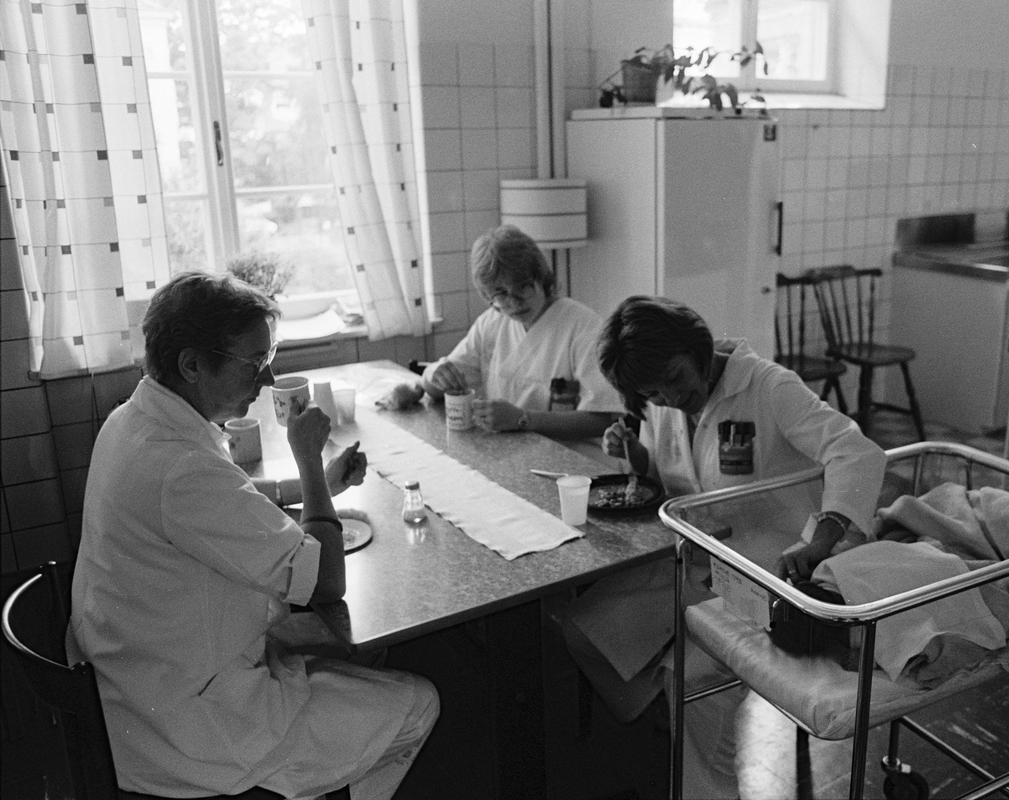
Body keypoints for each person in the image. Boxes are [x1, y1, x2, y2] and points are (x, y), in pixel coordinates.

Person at [68, 272, 439, 798]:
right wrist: (309, 463)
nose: (267, 381)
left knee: (355, 654)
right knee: (418, 701)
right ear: (192, 364)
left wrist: (315, 484)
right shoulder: (179, 469)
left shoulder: (134, 421)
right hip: (181, 726)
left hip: (135, 678)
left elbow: (228, 493)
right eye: (254, 363)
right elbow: (327, 581)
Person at [561, 295, 886, 798]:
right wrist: (637, 455)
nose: (669, 395)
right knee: (585, 629)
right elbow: (678, 475)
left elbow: (856, 451)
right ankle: (657, 719)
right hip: (697, 561)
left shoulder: (767, 387)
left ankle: (697, 772)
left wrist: (822, 542)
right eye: (652, 391)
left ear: (695, 346)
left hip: (765, 578)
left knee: (690, 687)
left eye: (673, 377)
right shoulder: (665, 405)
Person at [419, 224, 623, 441]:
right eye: (501, 294)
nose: (514, 303)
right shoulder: (491, 323)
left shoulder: (582, 326)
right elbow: (444, 383)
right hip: (511, 453)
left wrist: (522, 419)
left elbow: (603, 419)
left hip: (578, 459)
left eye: (522, 287)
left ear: (541, 278)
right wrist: (432, 375)